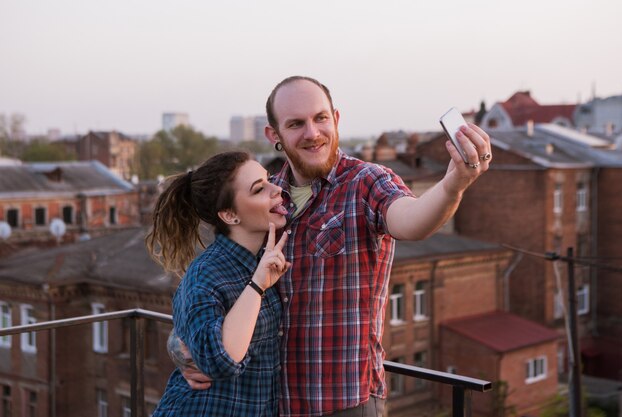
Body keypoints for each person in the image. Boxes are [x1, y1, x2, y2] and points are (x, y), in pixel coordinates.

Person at [182, 76, 492, 417]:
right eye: (296, 124)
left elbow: (413, 219)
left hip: (343, 404)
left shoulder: (366, 182)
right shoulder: (266, 197)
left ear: (336, 119)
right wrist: (183, 349)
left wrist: (453, 184)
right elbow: (217, 285)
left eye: (320, 118)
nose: (312, 133)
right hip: (271, 405)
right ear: (275, 136)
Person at [146, 150, 291, 417]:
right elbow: (218, 361)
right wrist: (257, 285)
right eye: (259, 189)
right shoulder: (206, 274)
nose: (276, 188)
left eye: (269, 179)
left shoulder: (266, 255)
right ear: (229, 215)